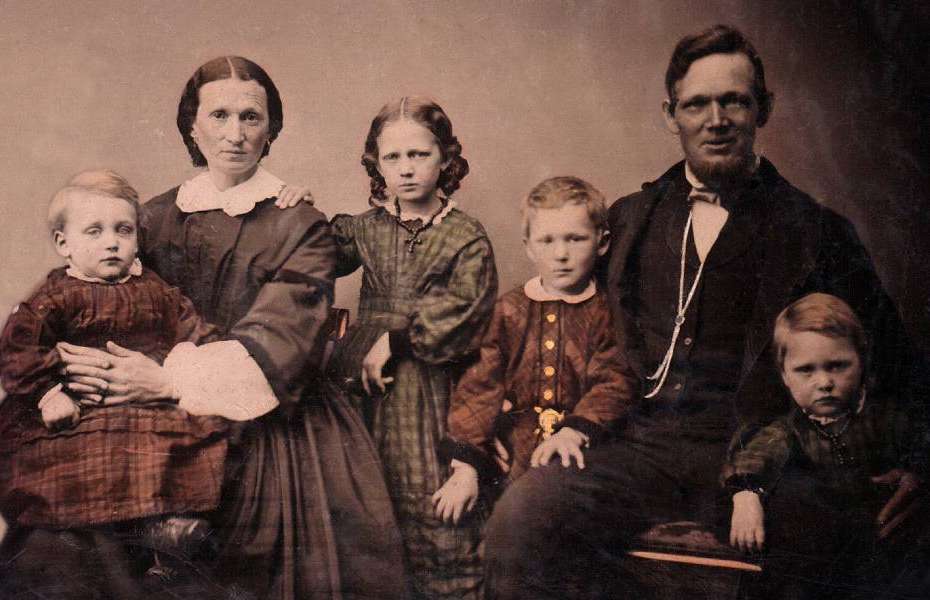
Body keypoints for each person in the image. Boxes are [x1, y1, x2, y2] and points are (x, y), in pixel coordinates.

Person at [483, 25, 923, 598]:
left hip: (763, 452)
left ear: (763, 109)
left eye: (733, 101)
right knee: (523, 519)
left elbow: (895, 357)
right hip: (635, 446)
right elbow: (555, 317)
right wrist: (506, 417)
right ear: (672, 115)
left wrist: (920, 459)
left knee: (838, 539)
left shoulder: (817, 233)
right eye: (696, 104)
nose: (716, 120)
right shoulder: (629, 220)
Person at [16, 57, 406, 600]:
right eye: (219, 115)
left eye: (251, 117)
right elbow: (90, 301)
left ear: (270, 130)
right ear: (192, 127)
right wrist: (89, 372)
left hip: (271, 420)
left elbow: (283, 341)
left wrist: (168, 382)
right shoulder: (149, 217)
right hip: (136, 413)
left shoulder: (300, 224)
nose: (234, 134)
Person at [0, 170, 253, 590]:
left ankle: (163, 528)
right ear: (64, 243)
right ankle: (132, 535)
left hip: (144, 402)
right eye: (94, 231)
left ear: (137, 238)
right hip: (79, 410)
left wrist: (198, 363)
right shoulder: (54, 295)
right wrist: (48, 393)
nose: (112, 242)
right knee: (81, 455)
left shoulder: (156, 290)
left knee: (187, 438)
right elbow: (18, 347)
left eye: (123, 230)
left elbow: (196, 334)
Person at [327, 96, 498, 599]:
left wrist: (397, 340)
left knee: (429, 500)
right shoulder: (364, 228)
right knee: (361, 503)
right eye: (393, 157)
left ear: (445, 158)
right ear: (376, 164)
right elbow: (306, 255)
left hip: (429, 384)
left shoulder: (464, 235)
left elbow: (469, 312)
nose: (406, 168)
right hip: (361, 388)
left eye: (419, 155)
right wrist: (291, 205)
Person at [433, 176, 636, 528]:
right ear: (529, 247)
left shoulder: (608, 311)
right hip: (515, 450)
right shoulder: (509, 310)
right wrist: (466, 465)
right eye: (547, 240)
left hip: (585, 450)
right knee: (494, 525)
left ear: (602, 242)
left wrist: (575, 431)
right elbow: (480, 386)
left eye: (575, 239)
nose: (561, 254)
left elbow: (614, 381)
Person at [725, 293, 928, 598]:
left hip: (883, 549)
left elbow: (921, 447)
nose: (824, 382)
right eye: (806, 370)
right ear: (785, 375)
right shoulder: (789, 430)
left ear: (862, 362)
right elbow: (756, 457)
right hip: (822, 555)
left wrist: (916, 474)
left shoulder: (887, 418)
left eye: (837, 366)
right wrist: (746, 496)